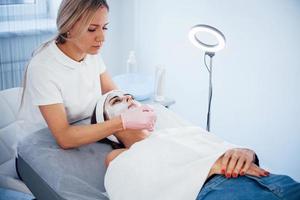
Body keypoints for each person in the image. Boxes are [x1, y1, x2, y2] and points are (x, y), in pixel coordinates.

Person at [91, 90, 300, 200]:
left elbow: (224, 147)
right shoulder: (118, 157)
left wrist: (245, 152)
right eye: (115, 101)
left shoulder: (182, 131)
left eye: (128, 96)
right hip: (219, 192)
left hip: (274, 181)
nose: (127, 97)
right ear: (107, 126)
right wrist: (208, 169)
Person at [17, 0, 156, 149]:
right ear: (69, 28)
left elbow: (112, 92)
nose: (102, 38)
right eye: (92, 29)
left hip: (82, 125)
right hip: (43, 141)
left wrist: (134, 106)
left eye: (105, 27)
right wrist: (122, 121)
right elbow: (65, 138)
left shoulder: (90, 52)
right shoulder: (43, 68)